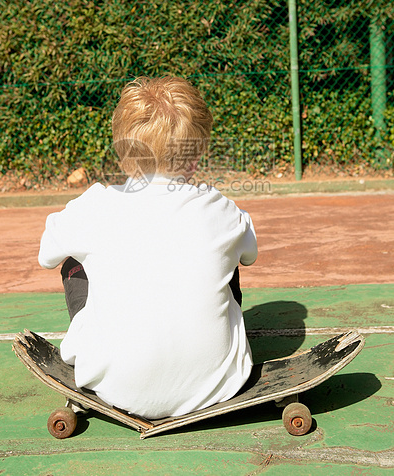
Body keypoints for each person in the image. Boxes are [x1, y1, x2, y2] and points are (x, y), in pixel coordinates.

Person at [38, 76, 257, 419]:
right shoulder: (222, 209)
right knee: (229, 260)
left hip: (118, 389)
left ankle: (102, 346)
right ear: (196, 154)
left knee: (72, 261)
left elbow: (46, 255)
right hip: (220, 386)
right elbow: (250, 254)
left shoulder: (95, 206)